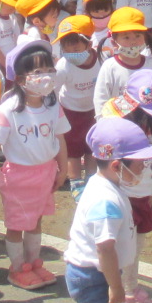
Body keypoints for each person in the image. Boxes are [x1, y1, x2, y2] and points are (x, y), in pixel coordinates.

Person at [63, 119, 152, 303]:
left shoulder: (101, 184)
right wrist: (116, 287)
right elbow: (105, 249)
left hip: (85, 273)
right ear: (117, 165)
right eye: (139, 163)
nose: (144, 168)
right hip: (94, 277)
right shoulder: (106, 201)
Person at [0, 42, 69, 291]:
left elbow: (60, 138)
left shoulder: (52, 105)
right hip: (19, 177)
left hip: (45, 173)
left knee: (35, 221)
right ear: (20, 77)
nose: (45, 76)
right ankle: (17, 268)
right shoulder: (8, 110)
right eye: (37, 72)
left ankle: (34, 263)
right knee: (16, 225)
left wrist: (63, 169)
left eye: (49, 69)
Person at [99, 69, 152, 303]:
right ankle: (117, 296)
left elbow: (149, 157)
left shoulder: (144, 123)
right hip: (122, 194)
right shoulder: (113, 118)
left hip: (140, 194)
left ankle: (131, 288)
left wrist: (149, 189)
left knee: (136, 247)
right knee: (121, 247)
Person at [53, 15, 99, 192]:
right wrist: (56, 114)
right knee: (72, 149)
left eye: (75, 43)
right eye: (66, 44)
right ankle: (75, 181)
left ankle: (91, 178)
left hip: (93, 110)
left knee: (91, 146)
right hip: (70, 111)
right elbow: (54, 90)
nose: (70, 49)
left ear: (88, 43)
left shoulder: (100, 59)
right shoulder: (64, 66)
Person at [93, 7, 152, 109]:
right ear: (113, 42)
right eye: (126, 37)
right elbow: (100, 100)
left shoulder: (151, 65)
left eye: (138, 36)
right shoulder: (109, 67)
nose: (133, 42)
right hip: (117, 122)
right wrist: (104, 123)